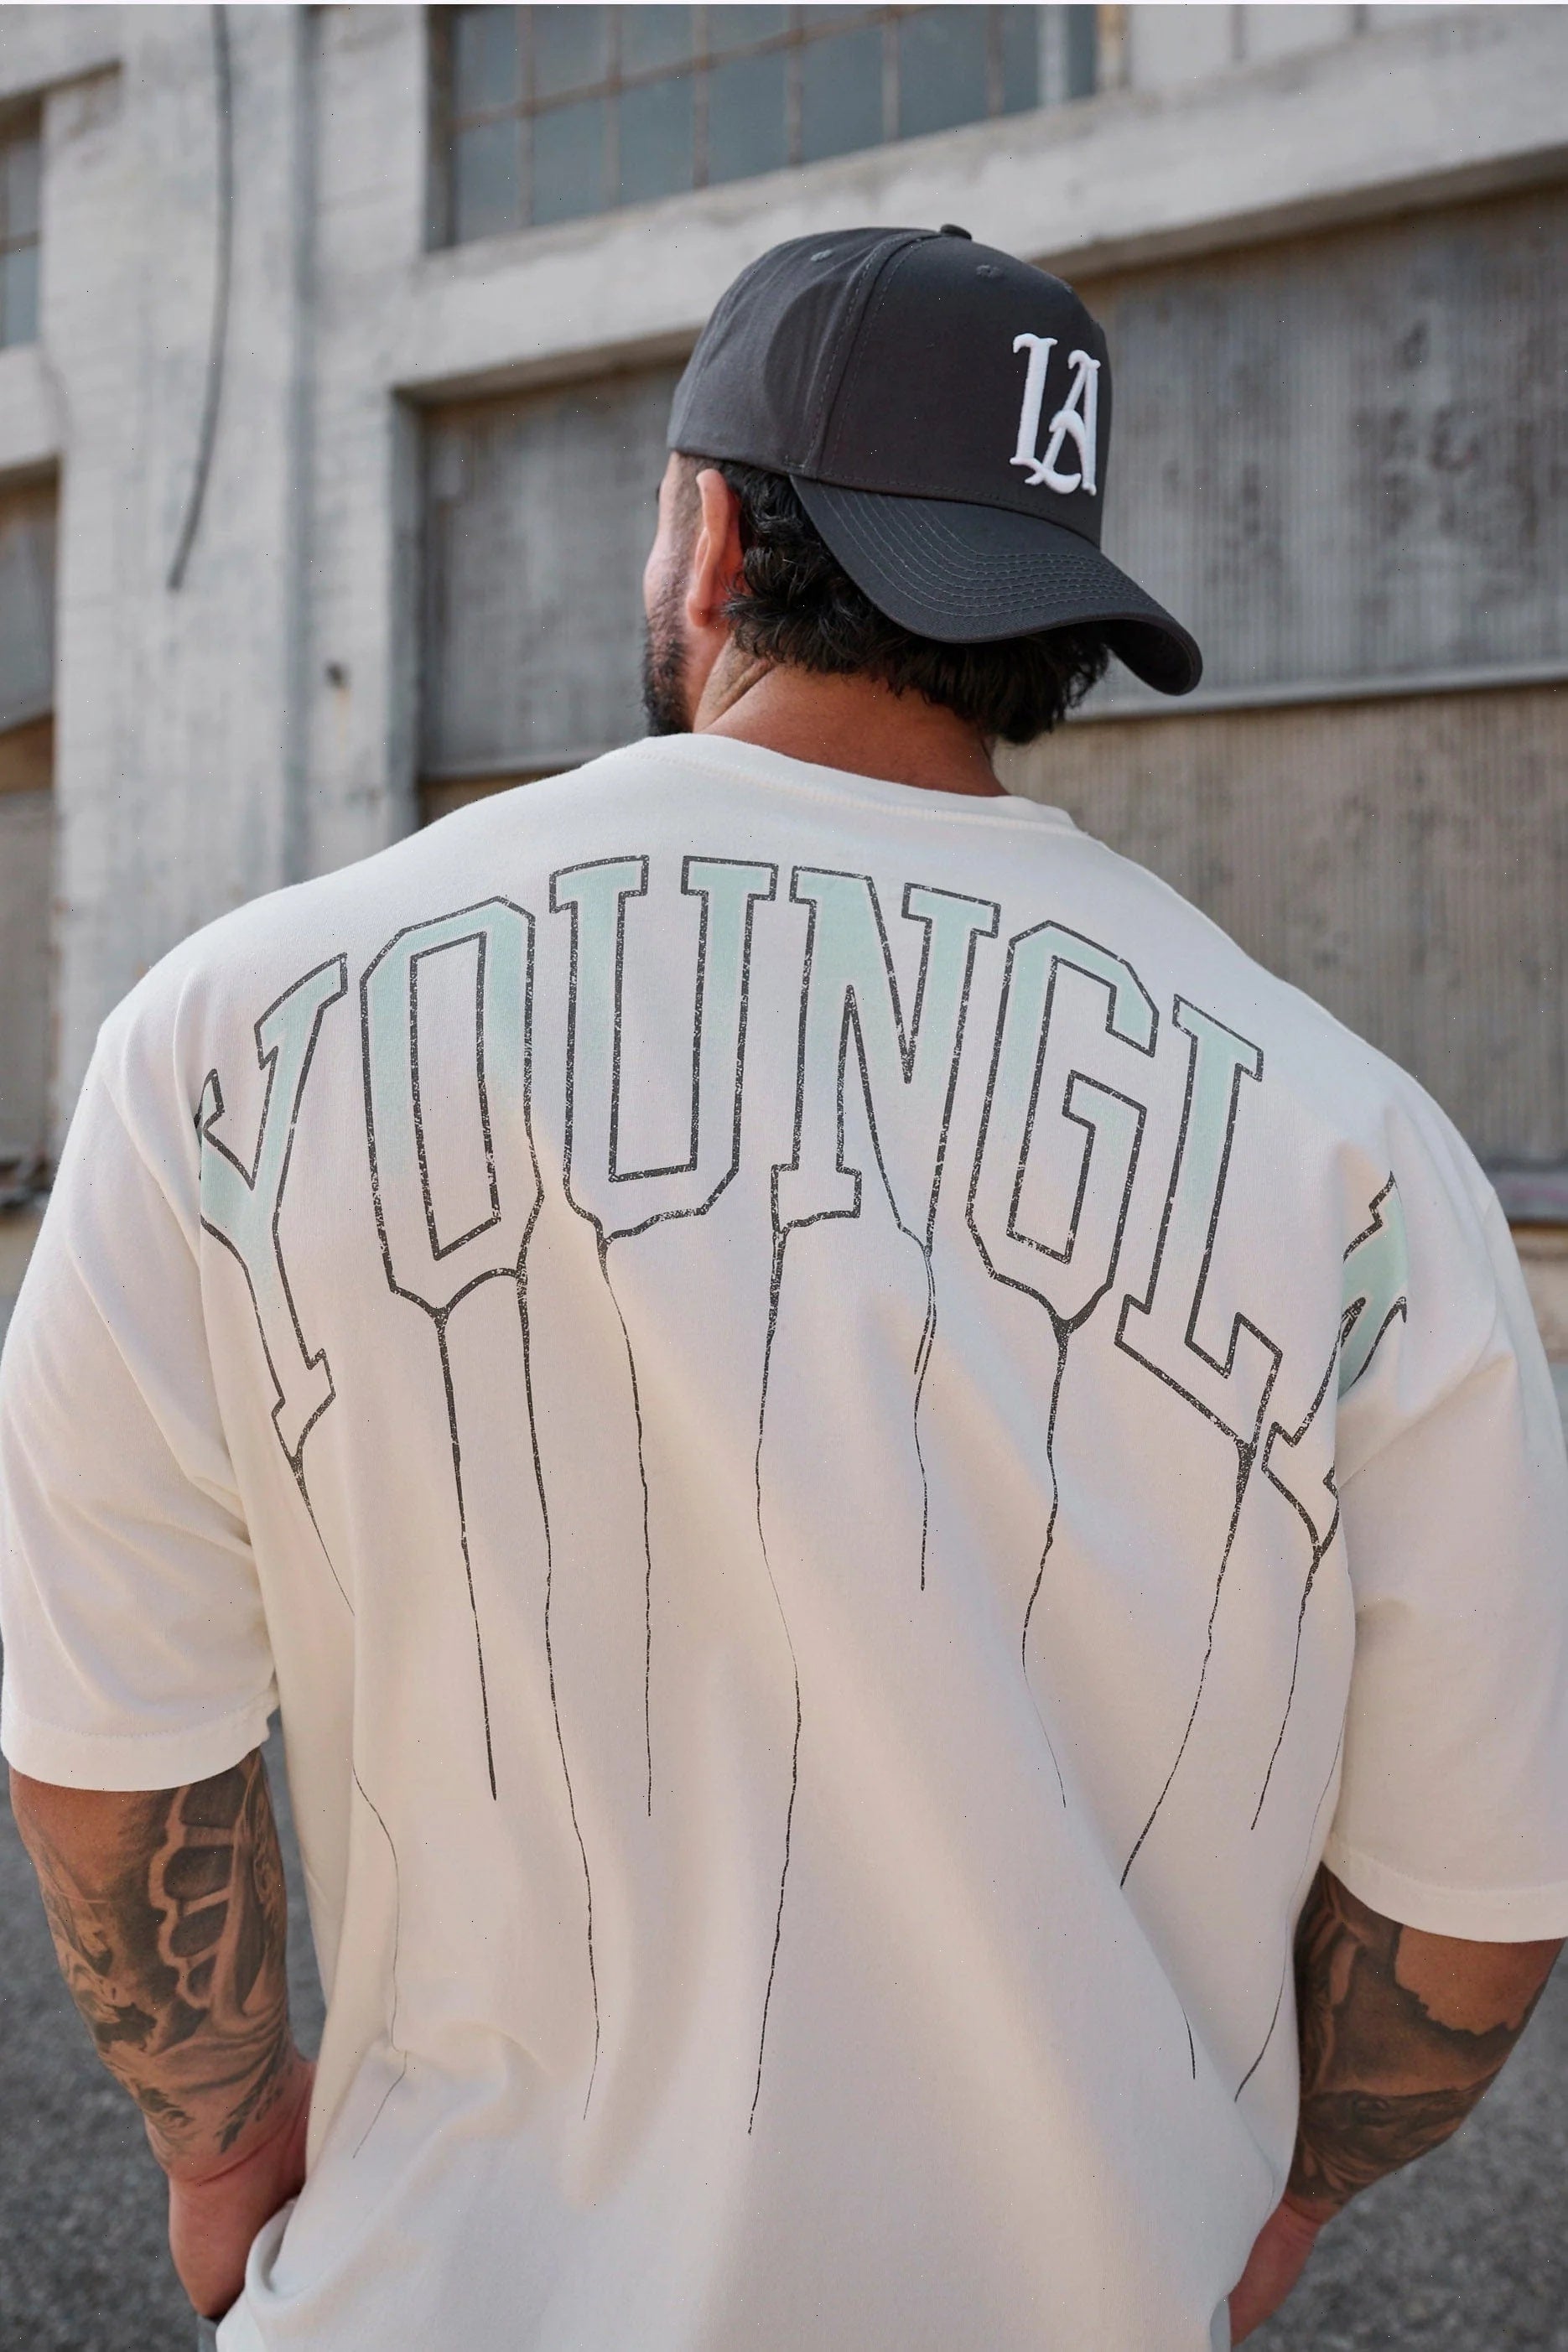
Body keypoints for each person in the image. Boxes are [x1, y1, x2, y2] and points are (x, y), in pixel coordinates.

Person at [3, 225, 1565, 2352]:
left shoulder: (231, 1033)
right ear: (1054, 621)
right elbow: (1472, 1900)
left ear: (710, 534)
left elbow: (119, 1752)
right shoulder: (1360, 1146)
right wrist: (1277, 2198)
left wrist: (221, 2145)